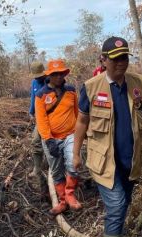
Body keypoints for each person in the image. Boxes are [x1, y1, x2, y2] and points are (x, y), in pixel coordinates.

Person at [73, 36, 142, 237]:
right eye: (115, 59)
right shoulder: (91, 87)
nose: (121, 63)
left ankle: (114, 232)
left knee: (123, 202)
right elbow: (82, 122)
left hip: (131, 160)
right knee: (116, 206)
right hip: (104, 163)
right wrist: (75, 154)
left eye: (124, 57)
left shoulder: (139, 83)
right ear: (103, 60)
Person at [35, 59, 82, 215]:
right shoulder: (41, 95)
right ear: (49, 75)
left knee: (73, 164)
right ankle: (62, 201)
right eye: (55, 74)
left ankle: (69, 194)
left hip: (70, 135)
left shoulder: (71, 91)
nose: (59, 77)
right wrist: (48, 140)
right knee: (56, 171)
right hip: (51, 138)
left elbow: (77, 113)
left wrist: (81, 133)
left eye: (61, 73)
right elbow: (41, 120)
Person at [29, 61, 47, 177]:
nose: (38, 78)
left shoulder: (50, 81)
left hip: (51, 117)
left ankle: (52, 167)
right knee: (35, 141)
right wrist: (31, 113)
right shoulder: (34, 83)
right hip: (39, 118)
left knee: (51, 142)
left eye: (40, 76)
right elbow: (33, 99)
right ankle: (37, 168)